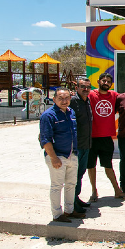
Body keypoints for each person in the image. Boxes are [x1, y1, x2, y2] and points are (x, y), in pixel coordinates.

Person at [40, 87, 85, 222]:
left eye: (66, 98)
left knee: (71, 184)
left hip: (72, 155)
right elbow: (45, 139)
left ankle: (69, 211)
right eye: (60, 98)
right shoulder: (48, 116)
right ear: (54, 99)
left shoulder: (71, 113)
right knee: (56, 186)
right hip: (58, 156)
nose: (64, 101)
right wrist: (53, 158)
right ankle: (57, 214)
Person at [87, 72, 125, 201]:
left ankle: (117, 190)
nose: (106, 83)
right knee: (91, 166)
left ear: (111, 84)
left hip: (106, 137)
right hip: (91, 137)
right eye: (103, 80)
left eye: (108, 81)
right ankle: (94, 191)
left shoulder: (114, 96)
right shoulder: (91, 94)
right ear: (98, 82)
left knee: (108, 166)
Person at [69, 78, 93, 213]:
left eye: (87, 87)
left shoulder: (88, 101)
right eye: (82, 86)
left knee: (80, 174)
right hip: (75, 147)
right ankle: (71, 204)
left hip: (86, 144)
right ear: (77, 87)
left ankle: (76, 198)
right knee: (73, 176)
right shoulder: (72, 102)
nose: (85, 89)